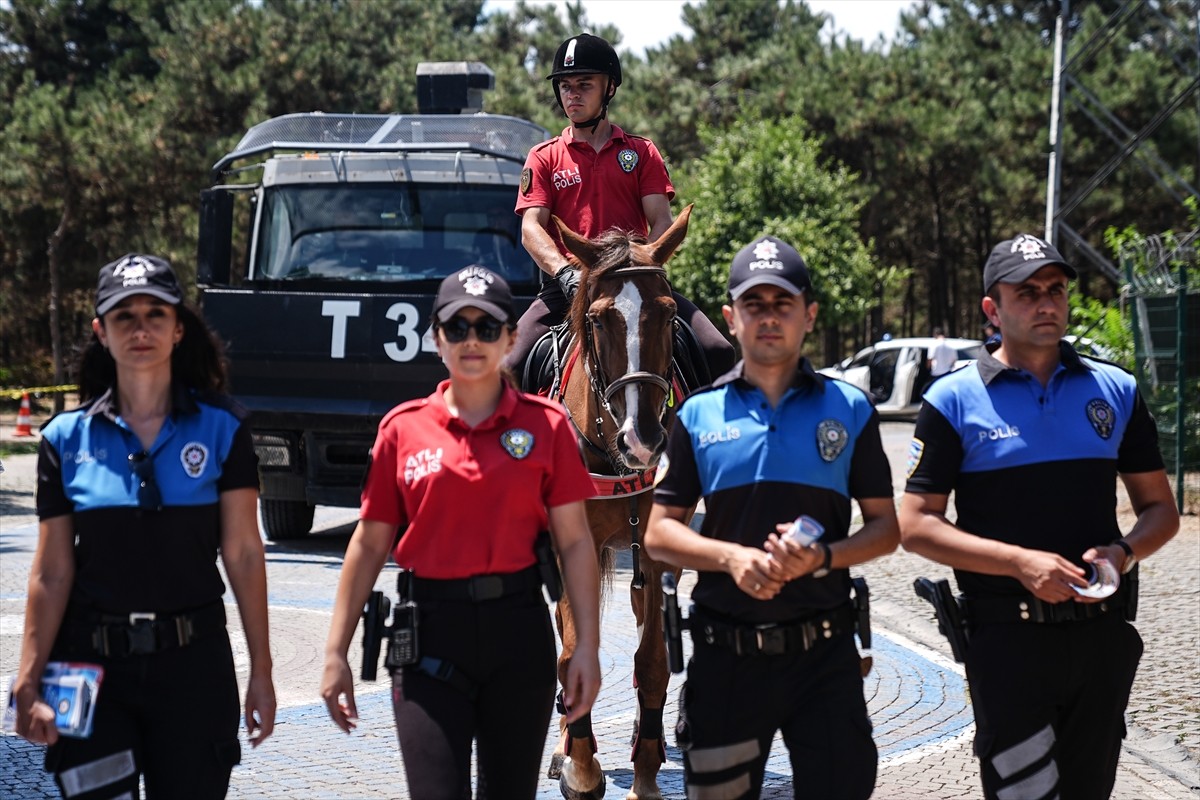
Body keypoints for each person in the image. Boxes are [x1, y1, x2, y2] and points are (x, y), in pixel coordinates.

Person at [898, 233, 1180, 800]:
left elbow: (1161, 512)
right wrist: (1020, 564)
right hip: (1008, 646)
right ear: (992, 309)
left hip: (1100, 642)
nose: (1046, 302)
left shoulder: (1115, 389)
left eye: (1055, 290)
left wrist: (1122, 553)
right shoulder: (952, 399)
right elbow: (916, 524)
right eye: (1027, 293)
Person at [320, 265, 602, 797]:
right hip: (429, 634)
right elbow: (369, 542)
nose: (472, 340)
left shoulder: (547, 427)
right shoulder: (402, 429)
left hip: (518, 633)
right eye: (457, 327)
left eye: (488, 327)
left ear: (511, 338)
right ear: (436, 338)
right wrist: (335, 651)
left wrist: (585, 646)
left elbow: (575, 542)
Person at [646, 236, 900, 799]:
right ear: (731, 317)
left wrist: (825, 557)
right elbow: (659, 534)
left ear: (808, 315)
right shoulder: (695, 414)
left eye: (782, 304)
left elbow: (887, 529)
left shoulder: (851, 409)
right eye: (753, 305)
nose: (768, 318)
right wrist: (731, 557)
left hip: (825, 660)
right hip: (724, 659)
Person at [14, 253, 276, 798]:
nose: (140, 329)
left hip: (193, 668)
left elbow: (245, 555)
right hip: (89, 668)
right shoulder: (64, 440)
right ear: (100, 332)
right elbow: (52, 573)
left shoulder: (224, 429)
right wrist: (28, 674)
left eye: (155, 314)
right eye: (123, 316)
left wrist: (263, 670)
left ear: (178, 328)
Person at [507, 32, 734, 390]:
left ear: (609, 88)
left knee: (717, 350)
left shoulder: (641, 153)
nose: (573, 93)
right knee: (507, 364)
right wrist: (565, 274)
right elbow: (531, 228)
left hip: (636, 284)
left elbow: (661, 220)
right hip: (565, 289)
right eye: (565, 86)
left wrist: (644, 265)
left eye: (584, 84)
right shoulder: (544, 156)